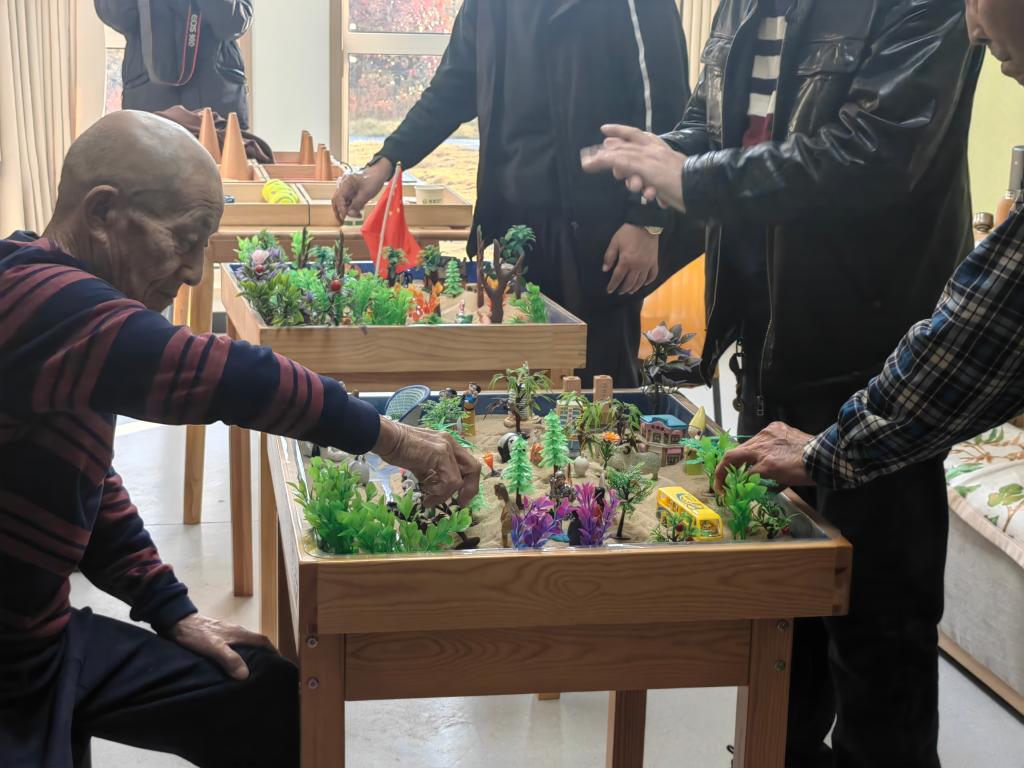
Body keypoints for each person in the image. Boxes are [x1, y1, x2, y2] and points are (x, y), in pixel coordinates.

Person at [0, 110, 479, 768]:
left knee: (265, 694)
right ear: (104, 212)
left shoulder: (68, 315)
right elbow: (226, 376)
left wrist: (173, 611)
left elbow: (87, 484)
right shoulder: (35, 297)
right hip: (12, 668)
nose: (195, 273)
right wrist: (394, 439)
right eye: (185, 239)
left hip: (42, 646)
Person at [581, 2, 984, 767]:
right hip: (767, 353)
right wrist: (664, 156)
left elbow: (870, 157)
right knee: (780, 630)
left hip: (876, 364)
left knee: (878, 642)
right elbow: (717, 123)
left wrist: (691, 177)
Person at [714, 2, 1024, 506]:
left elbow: (986, 330)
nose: (970, 29)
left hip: (861, 362)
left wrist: (832, 451)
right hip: (781, 360)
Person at [333, 0, 700, 386]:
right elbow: (452, 89)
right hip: (511, 226)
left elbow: (663, 105)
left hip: (599, 234)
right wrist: (382, 165)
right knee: (512, 383)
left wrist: (646, 221)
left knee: (596, 383)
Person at [96, 0, 253, 128]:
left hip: (215, 100)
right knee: (147, 156)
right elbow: (116, 16)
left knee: (222, 156)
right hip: (148, 98)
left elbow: (236, 22)